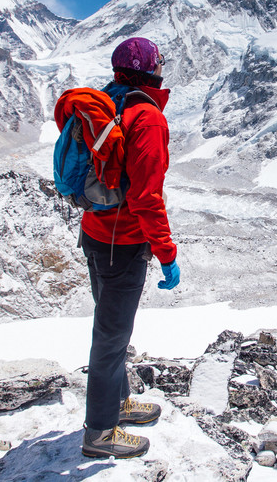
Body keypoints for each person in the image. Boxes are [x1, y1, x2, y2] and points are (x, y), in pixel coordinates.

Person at [80, 37, 181, 460]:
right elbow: (145, 198)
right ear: (151, 69)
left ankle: (118, 404)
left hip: (94, 233)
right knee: (112, 336)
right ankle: (100, 433)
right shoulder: (147, 118)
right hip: (124, 245)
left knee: (111, 331)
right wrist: (167, 253)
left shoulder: (105, 105)